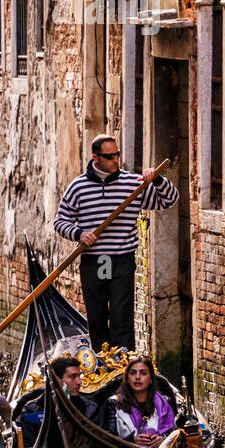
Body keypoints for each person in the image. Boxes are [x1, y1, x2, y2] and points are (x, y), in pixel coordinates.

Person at [54, 135, 178, 351]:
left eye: (117, 155)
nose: (115, 160)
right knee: (97, 315)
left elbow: (168, 200)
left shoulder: (133, 184)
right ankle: (102, 363)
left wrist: (157, 180)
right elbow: (60, 221)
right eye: (109, 156)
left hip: (121, 260)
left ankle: (123, 364)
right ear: (95, 157)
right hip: (94, 260)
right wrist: (79, 234)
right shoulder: (78, 187)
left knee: (122, 314)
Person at [110, 355, 175, 448]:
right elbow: (109, 440)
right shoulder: (114, 404)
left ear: (151, 379)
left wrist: (163, 440)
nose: (137, 377)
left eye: (143, 373)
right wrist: (132, 441)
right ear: (127, 378)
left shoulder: (166, 402)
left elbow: (176, 434)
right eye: (133, 373)